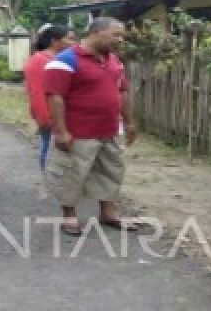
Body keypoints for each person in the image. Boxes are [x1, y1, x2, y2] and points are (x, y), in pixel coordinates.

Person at [43, 17, 139, 235]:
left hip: (110, 129)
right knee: (72, 173)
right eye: (116, 35)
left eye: (122, 36)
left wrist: (130, 122)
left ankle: (108, 212)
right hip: (78, 132)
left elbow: (122, 91)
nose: (121, 40)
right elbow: (54, 96)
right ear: (95, 32)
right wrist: (60, 131)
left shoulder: (114, 60)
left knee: (111, 171)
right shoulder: (65, 60)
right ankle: (69, 215)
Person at [24, 24, 75, 172]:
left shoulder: (56, 59)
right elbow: (37, 92)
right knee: (49, 150)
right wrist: (45, 119)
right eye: (70, 39)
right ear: (55, 41)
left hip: (59, 115)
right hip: (50, 116)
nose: (74, 43)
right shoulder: (40, 60)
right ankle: (49, 182)